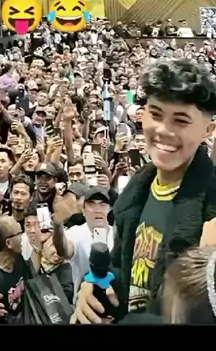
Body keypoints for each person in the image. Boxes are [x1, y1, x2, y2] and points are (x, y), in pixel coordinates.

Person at [73, 59, 216, 323]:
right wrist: (95, 286)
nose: (163, 130)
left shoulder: (211, 208)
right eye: (156, 114)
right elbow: (127, 274)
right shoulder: (135, 193)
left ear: (208, 130)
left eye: (181, 120)